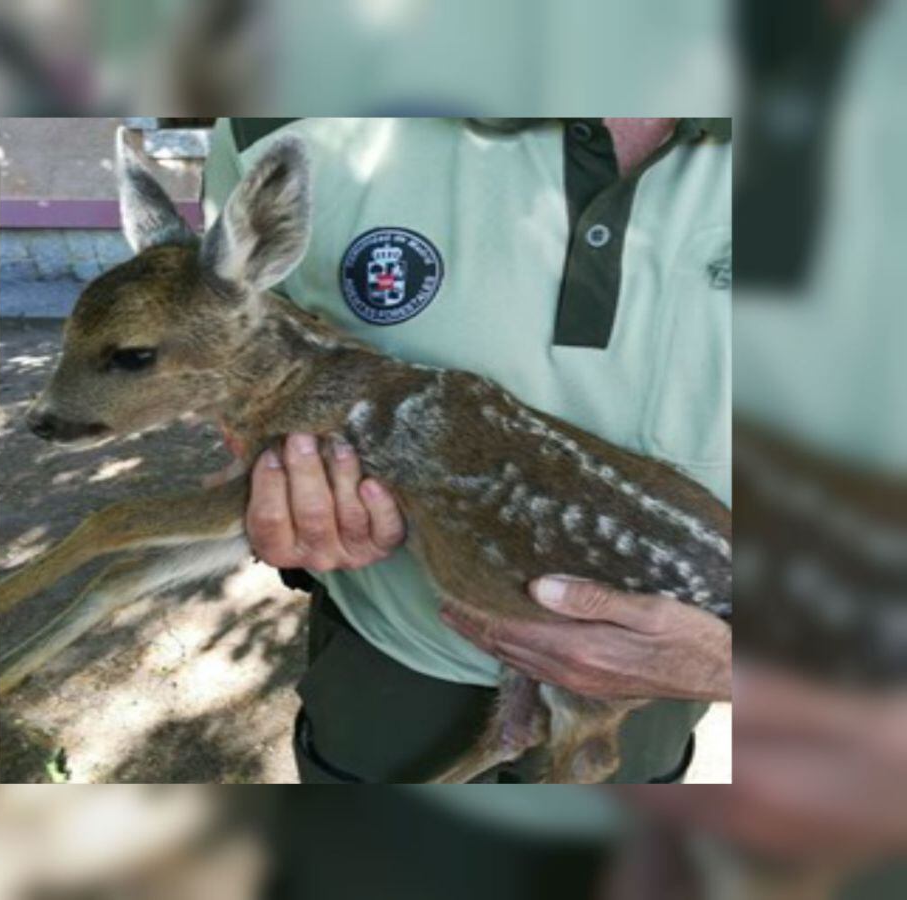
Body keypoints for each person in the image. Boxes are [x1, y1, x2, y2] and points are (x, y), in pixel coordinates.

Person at [202, 116, 732, 784]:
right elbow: (220, 363)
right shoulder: (284, 120)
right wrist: (272, 480)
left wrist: (731, 664)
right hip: (393, 657)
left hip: (666, 678)